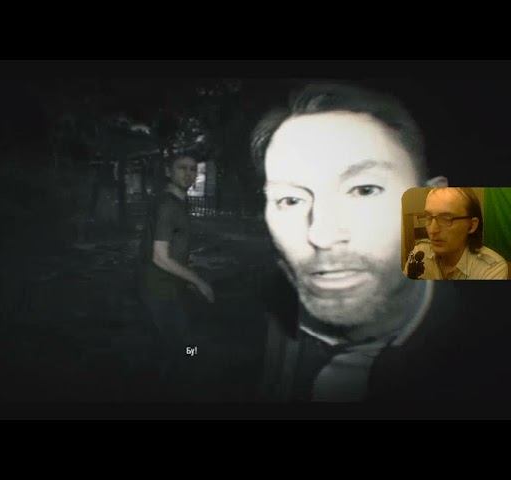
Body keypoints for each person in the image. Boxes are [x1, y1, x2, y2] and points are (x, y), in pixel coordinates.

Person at [249, 82, 510, 408]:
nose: (321, 235)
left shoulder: (488, 340)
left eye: (364, 190)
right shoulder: (248, 317)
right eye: (290, 200)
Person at [137, 153, 214, 389]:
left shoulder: (177, 202)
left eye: (193, 169)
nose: (189, 173)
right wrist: (199, 281)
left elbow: (173, 248)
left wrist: (186, 275)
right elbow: (160, 256)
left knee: (169, 340)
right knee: (182, 342)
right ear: (169, 172)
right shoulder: (168, 205)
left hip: (169, 285)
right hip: (159, 288)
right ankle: (179, 379)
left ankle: (170, 376)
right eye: (182, 168)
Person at [405, 187, 508, 280]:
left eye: (446, 219)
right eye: (428, 217)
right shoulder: (420, 253)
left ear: (471, 225)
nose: (432, 230)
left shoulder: (491, 267)